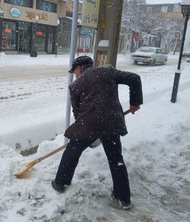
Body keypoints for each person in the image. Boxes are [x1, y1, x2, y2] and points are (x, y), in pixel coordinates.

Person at [51, 56, 143, 210]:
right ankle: (124, 198)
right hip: (112, 123)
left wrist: (84, 133)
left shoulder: (75, 85)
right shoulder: (108, 72)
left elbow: (78, 113)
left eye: (74, 71)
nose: (75, 75)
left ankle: (60, 182)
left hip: (89, 124)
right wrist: (135, 102)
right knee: (116, 159)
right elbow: (134, 78)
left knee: (71, 152)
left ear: (80, 68)